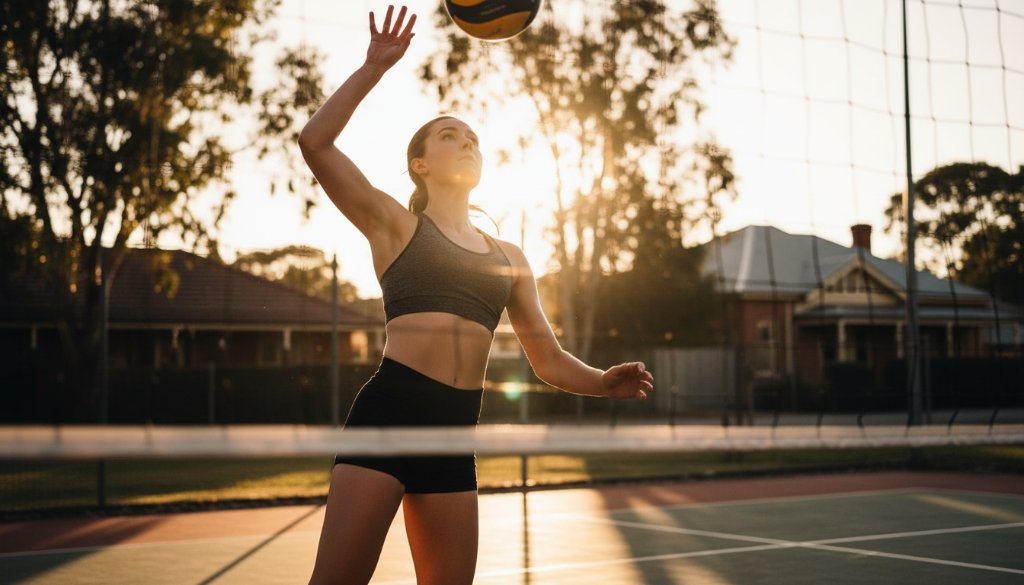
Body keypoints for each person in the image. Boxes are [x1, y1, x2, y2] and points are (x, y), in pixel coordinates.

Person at [300, 5, 654, 584]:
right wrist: (374, 67)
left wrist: (600, 382)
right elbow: (315, 143)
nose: (465, 143)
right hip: (389, 414)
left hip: (454, 432)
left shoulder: (509, 258)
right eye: (448, 136)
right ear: (419, 163)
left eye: (472, 139)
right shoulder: (396, 226)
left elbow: (548, 359)